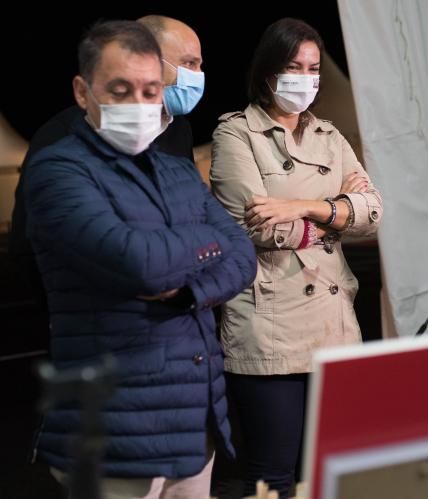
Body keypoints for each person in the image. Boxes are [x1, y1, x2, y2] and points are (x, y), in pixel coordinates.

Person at [23, 20, 256, 498]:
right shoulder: (58, 169)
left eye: (151, 91)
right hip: (116, 433)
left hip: (194, 424)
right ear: (83, 92)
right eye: (120, 89)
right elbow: (141, 264)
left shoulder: (174, 167)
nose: (139, 104)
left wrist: (189, 287)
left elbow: (241, 254)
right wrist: (201, 240)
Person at [209, 18, 383, 498]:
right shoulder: (236, 134)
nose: (304, 79)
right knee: (275, 475)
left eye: (312, 69)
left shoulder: (329, 135)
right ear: (268, 71)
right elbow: (260, 225)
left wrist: (304, 206)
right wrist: (336, 214)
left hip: (333, 322)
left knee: (329, 468)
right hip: (270, 324)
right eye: (293, 67)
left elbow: (373, 215)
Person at [9, 15, 204, 302]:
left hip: (179, 315)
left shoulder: (179, 130)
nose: (199, 74)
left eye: (199, 64)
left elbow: (208, 230)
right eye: (189, 64)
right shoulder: (59, 140)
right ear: (147, 59)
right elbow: (30, 250)